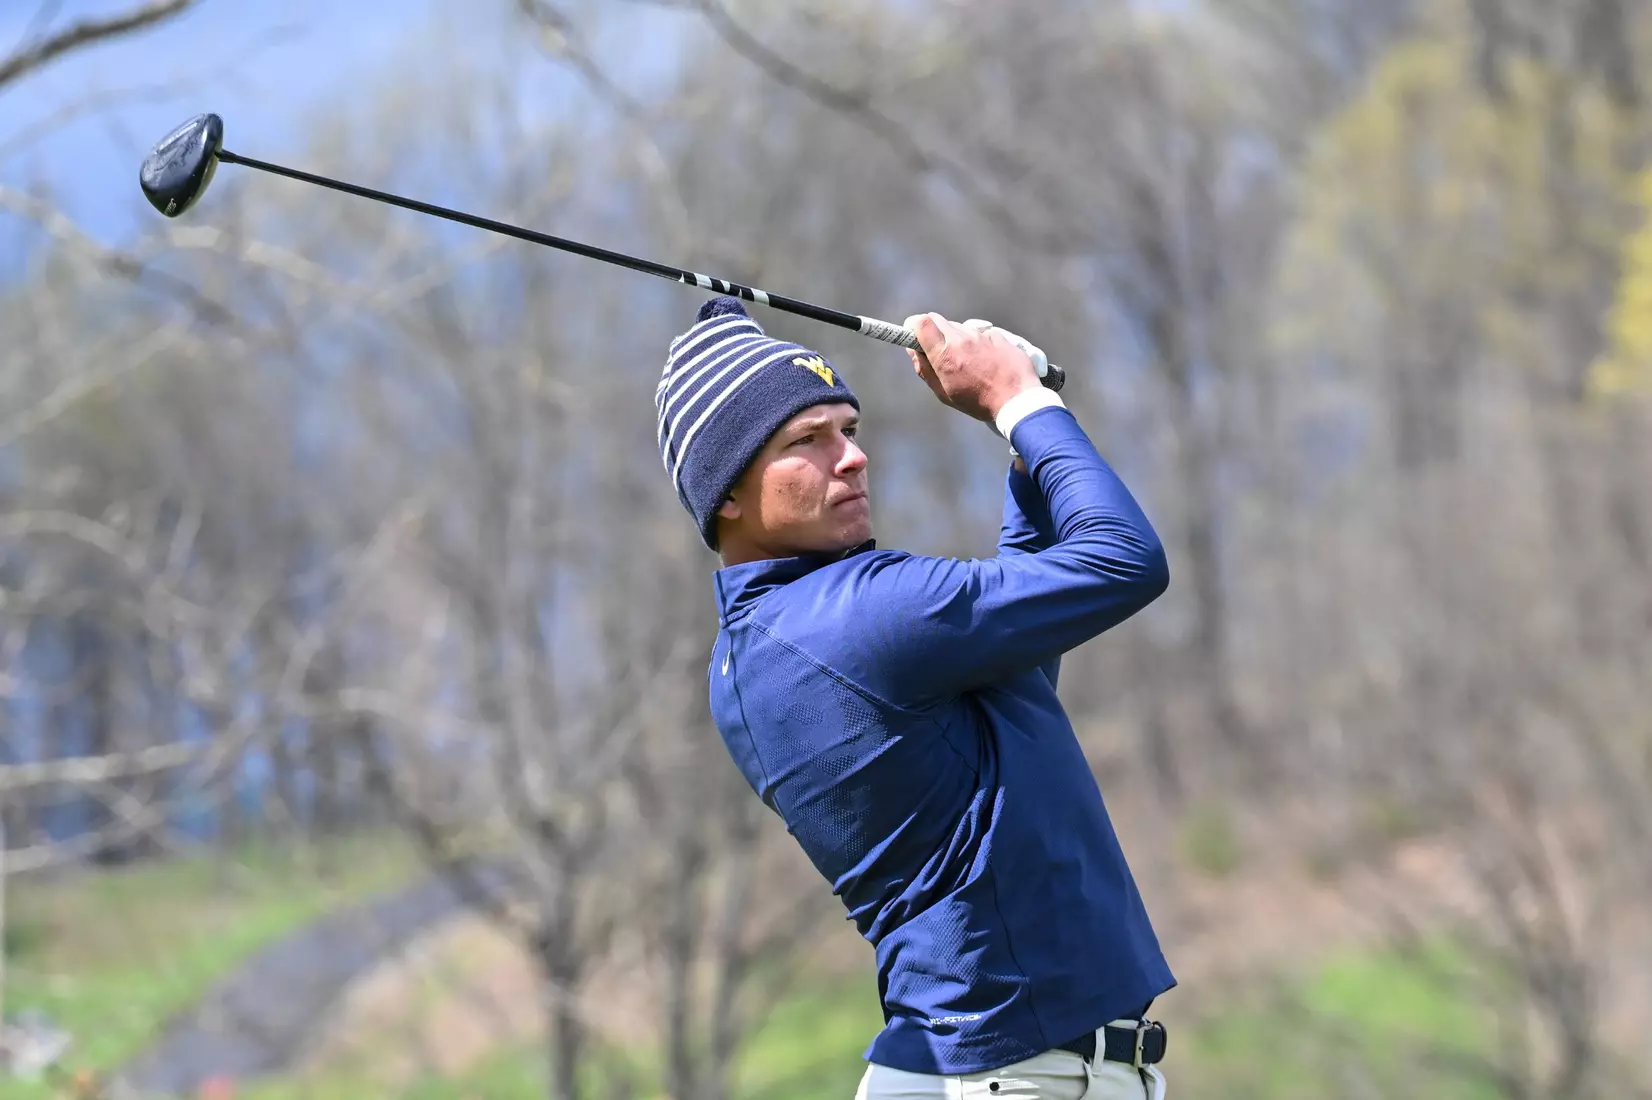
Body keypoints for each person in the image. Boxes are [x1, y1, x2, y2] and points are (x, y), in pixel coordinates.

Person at [655, 296, 1174, 1099]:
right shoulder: (859, 613)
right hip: (1021, 1077)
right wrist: (1019, 405)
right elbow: (1124, 561)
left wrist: (1026, 459)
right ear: (725, 493)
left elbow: (1019, 687)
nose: (852, 458)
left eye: (849, 431)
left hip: (970, 1069)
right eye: (807, 441)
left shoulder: (758, 646)